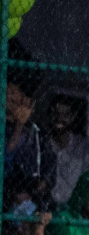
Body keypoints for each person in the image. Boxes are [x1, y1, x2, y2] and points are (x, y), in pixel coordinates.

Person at [3, 61, 56, 210]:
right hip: (8, 195)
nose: (13, 98)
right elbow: (6, 156)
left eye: (18, 94)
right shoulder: (6, 128)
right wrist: (19, 125)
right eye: (9, 94)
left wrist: (43, 183)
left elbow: (49, 162)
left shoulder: (36, 132)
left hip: (33, 197)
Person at [46, 92, 89, 207]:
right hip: (47, 205)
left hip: (73, 206)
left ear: (72, 117)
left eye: (65, 114)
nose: (59, 118)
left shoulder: (82, 146)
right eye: (56, 113)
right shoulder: (43, 144)